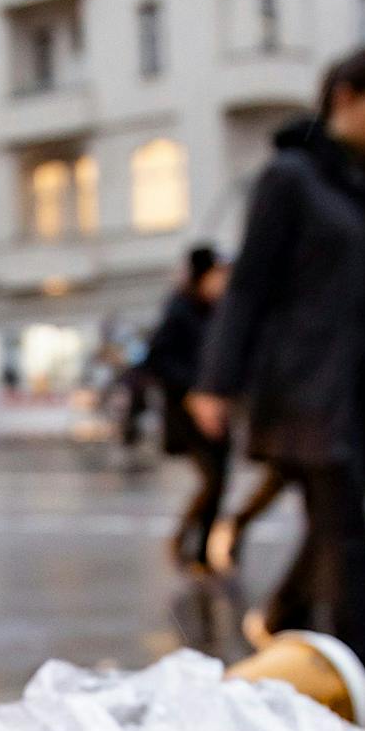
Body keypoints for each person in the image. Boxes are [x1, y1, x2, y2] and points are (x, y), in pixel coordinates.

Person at [191, 48, 365, 713]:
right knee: (347, 527)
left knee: (329, 528)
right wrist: (215, 383)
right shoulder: (290, 178)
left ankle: (280, 622)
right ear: (344, 98)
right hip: (307, 385)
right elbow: (248, 287)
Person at [143, 245, 231, 571]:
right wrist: (193, 392)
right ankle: (187, 541)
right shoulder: (179, 310)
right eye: (216, 275)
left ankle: (201, 550)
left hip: (216, 410)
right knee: (212, 479)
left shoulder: (217, 311)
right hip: (186, 412)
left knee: (220, 480)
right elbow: (158, 359)